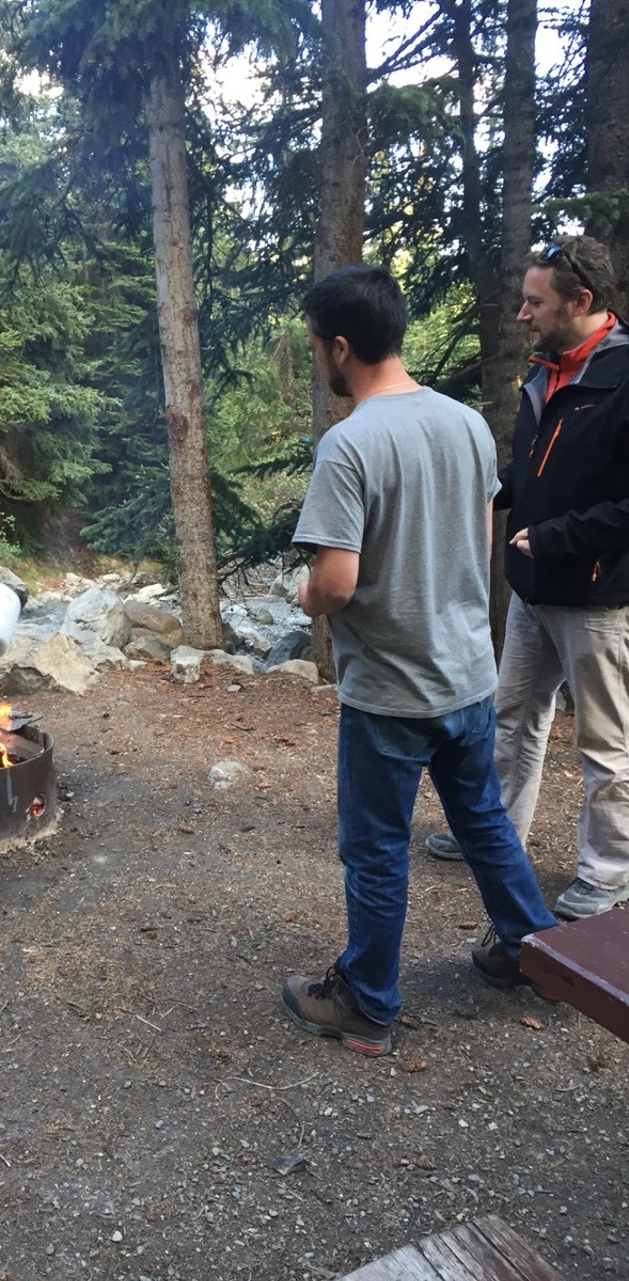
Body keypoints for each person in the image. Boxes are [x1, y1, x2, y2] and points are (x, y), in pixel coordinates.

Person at [280, 265, 558, 1058]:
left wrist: (305, 593)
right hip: (468, 674)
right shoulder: (465, 423)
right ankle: (532, 950)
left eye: (318, 348)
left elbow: (337, 583)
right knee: (484, 822)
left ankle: (368, 1002)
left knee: (375, 849)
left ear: (341, 347)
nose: (320, 361)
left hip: (391, 693)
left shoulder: (349, 444)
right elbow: (474, 538)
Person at [425, 235, 629, 921]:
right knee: (511, 717)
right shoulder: (547, 372)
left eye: (535, 302)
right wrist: (486, 489)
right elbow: (536, 469)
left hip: (597, 593)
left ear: (581, 301)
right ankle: (495, 832)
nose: (521, 314)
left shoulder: (622, 377)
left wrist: (553, 537)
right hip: (533, 588)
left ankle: (608, 873)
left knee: (604, 741)